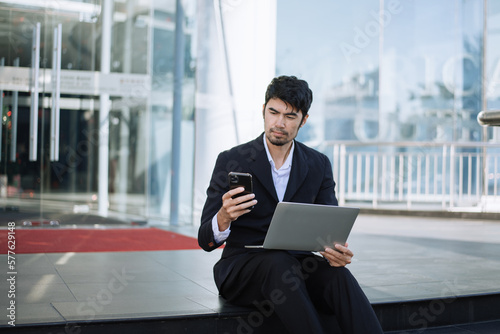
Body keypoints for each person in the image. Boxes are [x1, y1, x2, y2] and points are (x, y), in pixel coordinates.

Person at [198, 75, 383, 333]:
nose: (280, 123)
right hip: (242, 269)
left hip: (296, 268)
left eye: (290, 116)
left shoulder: (318, 164)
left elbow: (330, 227)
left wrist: (336, 252)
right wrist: (224, 217)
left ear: (304, 120)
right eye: (274, 112)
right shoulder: (233, 160)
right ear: (263, 110)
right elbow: (205, 240)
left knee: (337, 276)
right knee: (277, 263)